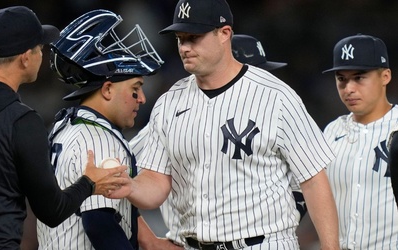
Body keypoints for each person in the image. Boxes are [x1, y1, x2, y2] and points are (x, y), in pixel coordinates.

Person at [110, 0, 341, 249]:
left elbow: (313, 180)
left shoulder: (275, 96)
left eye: (193, 37)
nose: (185, 47)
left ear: (224, 34)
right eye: (180, 38)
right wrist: (130, 187)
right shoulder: (169, 102)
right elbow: (156, 183)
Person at [0, 6, 127, 249]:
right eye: (40, 48)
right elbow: (52, 211)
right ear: (26, 57)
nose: (42, 54)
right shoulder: (22, 122)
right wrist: (89, 184)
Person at [130, 33, 308, 248]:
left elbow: (306, 184)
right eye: (255, 72)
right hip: (185, 243)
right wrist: (147, 238)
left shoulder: (273, 111)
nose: (261, 82)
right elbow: (117, 171)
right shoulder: (176, 116)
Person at [35, 9, 168, 250]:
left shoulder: (66, 125)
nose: (142, 98)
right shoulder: (98, 138)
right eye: (135, 88)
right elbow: (99, 223)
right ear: (107, 90)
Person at [321, 33, 398, 249]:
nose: (349, 89)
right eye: (341, 79)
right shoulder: (331, 131)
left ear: (385, 76)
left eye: (359, 77)